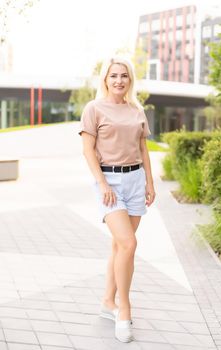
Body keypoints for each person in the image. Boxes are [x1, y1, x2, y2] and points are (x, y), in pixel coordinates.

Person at [78, 56, 155, 343]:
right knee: (129, 243)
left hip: (135, 180)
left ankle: (107, 301)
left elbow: (143, 148)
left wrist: (149, 181)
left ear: (130, 80)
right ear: (105, 80)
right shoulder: (94, 109)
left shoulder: (136, 110)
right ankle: (125, 308)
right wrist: (102, 183)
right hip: (109, 182)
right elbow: (88, 150)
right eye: (114, 76)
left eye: (124, 76)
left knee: (119, 246)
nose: (119, 80)